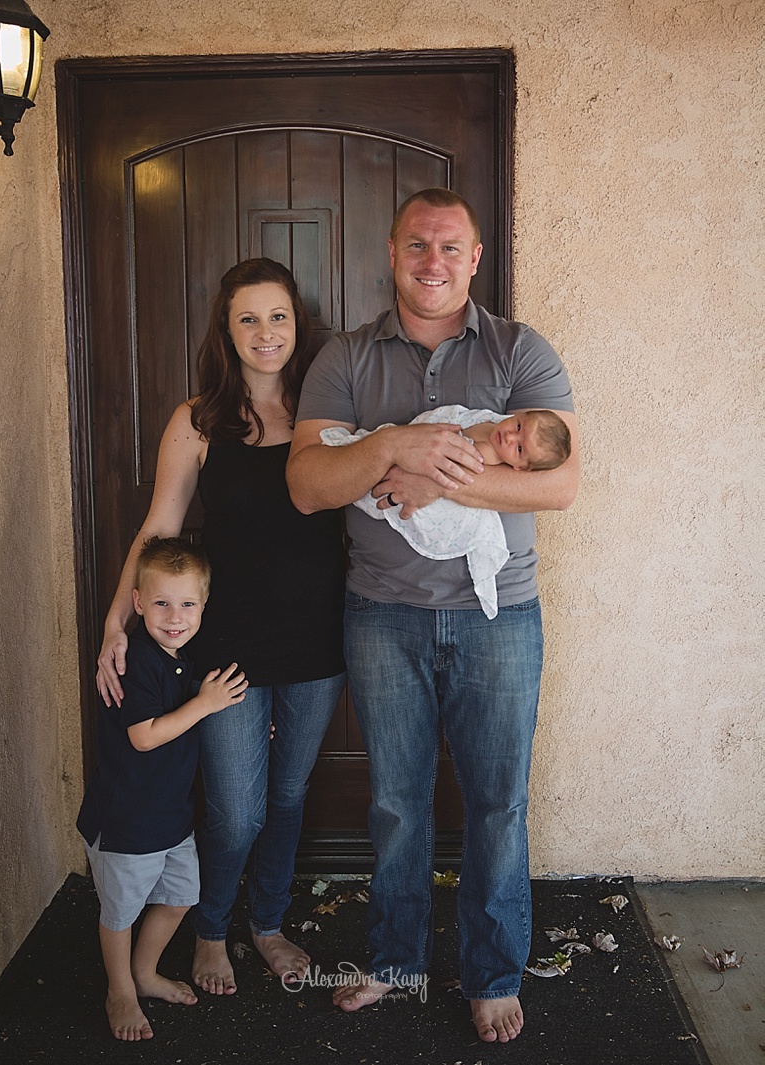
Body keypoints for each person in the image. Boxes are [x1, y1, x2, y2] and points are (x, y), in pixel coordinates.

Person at [286, 188, 579, 1044]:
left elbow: (559, 481)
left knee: (497, 803)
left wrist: (431, 480)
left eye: (451, 248)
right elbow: (308, 484)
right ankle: (397, 961)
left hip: (500, 619)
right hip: (383, 614)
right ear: (392, 251)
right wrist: (390, 448)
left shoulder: (521, 351)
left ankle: (491, 972)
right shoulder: (344, 357)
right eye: (419, 245)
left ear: (476, 258)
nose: (434, 262)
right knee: (398, 803)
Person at [96, 258, 346, 999]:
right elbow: (160, 528)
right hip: (226, 650)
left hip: (317, 641)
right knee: (238, 809)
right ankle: (210, 930)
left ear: (296, 326)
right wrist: (118, 618)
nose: (264, 333)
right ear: (226, 330)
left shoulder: (326, 411)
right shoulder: (199, 418)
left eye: (278, 317)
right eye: (248, 318)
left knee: (292, 795)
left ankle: (265, 924)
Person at [78, 536, 249, 1040]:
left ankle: (144, 973)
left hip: (172, 818)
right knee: (121, 913)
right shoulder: (136, 660)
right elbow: (145, 735)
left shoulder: (181, 658)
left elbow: (192, 710)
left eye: (188, 603)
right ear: (137, 603)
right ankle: (120, 991)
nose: (175, 615)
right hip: (126, 820)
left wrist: (227, 711)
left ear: (203, 605)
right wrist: (205, 705)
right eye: (160, 603)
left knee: (179, 899)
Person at [321, 406, 570, 617]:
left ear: (520, 469)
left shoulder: (486, 455)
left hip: (423, 484)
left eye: (519, 449)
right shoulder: (490, 421)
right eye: (517, 427)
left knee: (379, 489)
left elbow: (447, 473)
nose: (509, 438)